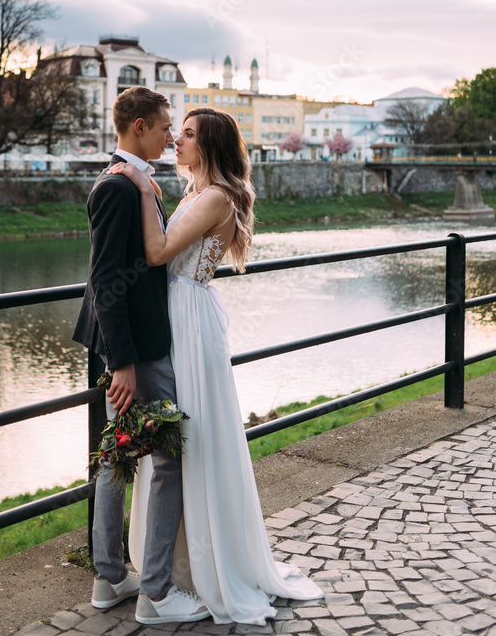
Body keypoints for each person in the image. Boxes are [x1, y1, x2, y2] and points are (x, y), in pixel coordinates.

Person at [109, 106, 324, 626]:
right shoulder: (194, 194)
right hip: (179, 316)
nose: (175, 142)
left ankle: (190, 569)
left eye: (186, 135)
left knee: (190, 438)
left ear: (209, 146)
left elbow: (157, 253)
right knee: (174, 440)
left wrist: (140, 189)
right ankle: (169, 569)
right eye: (176, 132)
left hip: (187, 318)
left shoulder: (214, 198)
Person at [72, 86, 210, 626]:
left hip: (129, 342)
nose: (171, 135)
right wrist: (124, 361)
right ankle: (155, 592)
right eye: (162, 127)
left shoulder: (137, 181)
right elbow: (106, 278)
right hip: (137, 348)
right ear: (136, 127)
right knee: (168, 459)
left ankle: (109, 579)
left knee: (117, 454)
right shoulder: (116, 187)